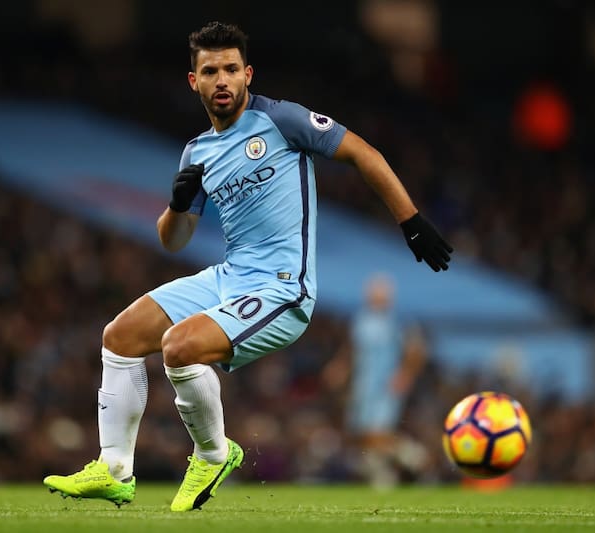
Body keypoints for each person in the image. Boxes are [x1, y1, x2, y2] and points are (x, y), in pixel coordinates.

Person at [43, 21, 452, 511]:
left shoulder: (283, 121)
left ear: (248, 74)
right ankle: (113, 469)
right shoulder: (197, 151)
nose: (222, 79)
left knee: (180, 347)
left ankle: (213, 453)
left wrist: (410, 222)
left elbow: (364, 154)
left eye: (231, 69)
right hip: (229, 277)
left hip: (284, 289)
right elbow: (175, 241)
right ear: (193, 80)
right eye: (211, 70)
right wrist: (176, 205)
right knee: (120, 335)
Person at [324, 274, 429, 486]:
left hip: (385, 385)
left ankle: (396, 468)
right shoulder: (361, 319)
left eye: (380, 294)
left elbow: (416, 350)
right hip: (363, 384)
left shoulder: (398, 319)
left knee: (377, 432)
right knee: (360, 434)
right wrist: (340, 367)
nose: (376, 297)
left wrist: (405, 374)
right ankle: (406, 455)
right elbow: (352, 349)